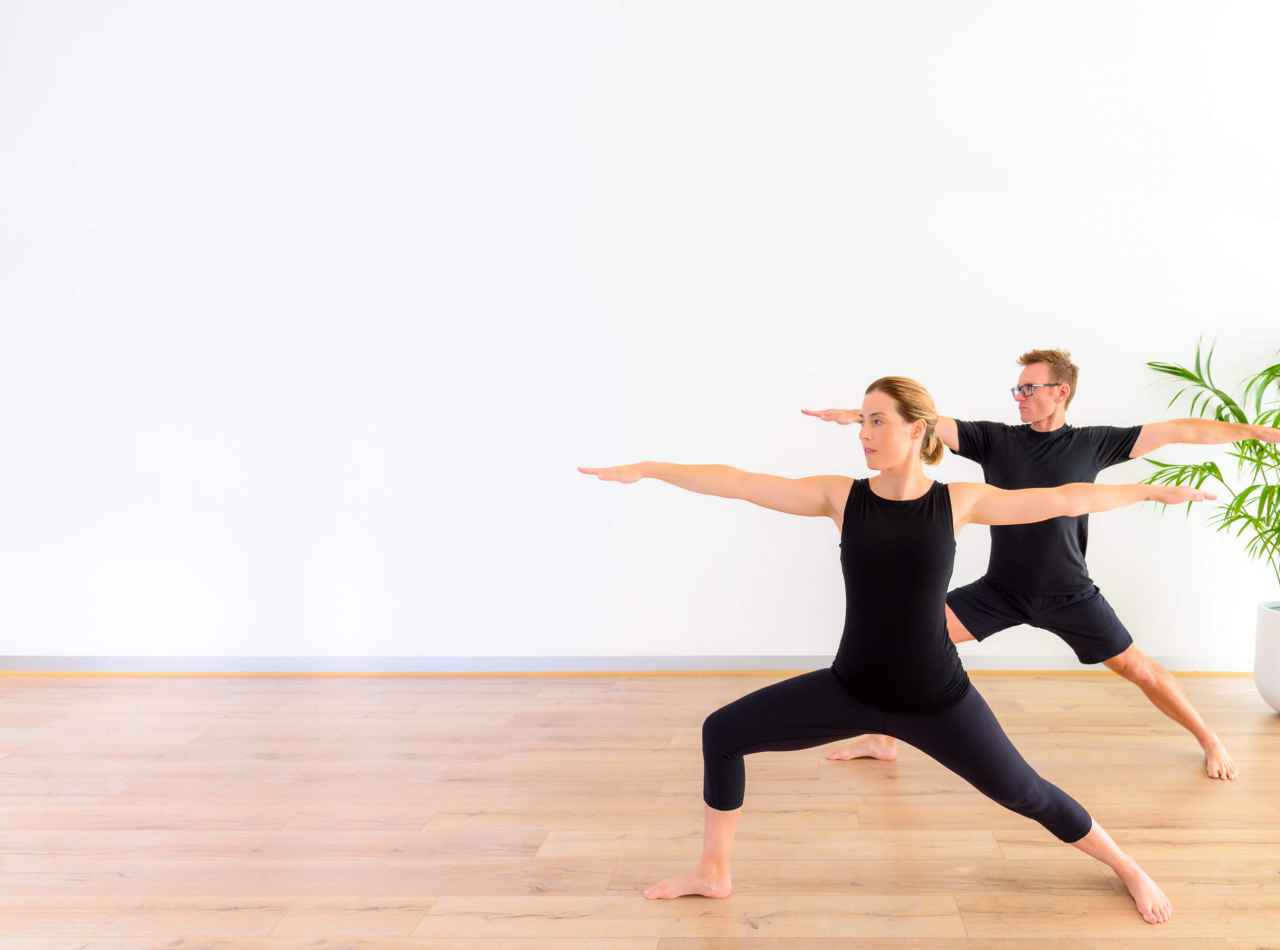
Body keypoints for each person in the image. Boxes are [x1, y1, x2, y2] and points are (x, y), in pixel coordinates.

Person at [580, 375, 1212, 924]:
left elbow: (1065, 499)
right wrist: (654, 469)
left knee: (1028, 794)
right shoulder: (840, 496)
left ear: (918, 429)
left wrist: (1149, 493)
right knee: (722, 731)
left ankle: (1126, 865)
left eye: (877, 421)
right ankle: (713, 873)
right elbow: (744, 483)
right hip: (850, 688)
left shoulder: (956, 501)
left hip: (937, 699)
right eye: (862, 422)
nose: (865, 434)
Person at [807, 349, 1278, 781]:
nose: (1020, 397)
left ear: (1061, 391)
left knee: (1142, 671)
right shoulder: (994, 441)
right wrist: (867, 418)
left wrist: (1254, 432)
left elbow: (1180, 430)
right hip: (1001, 591)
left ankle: (1209, 740)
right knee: (904, 640)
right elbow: (924, 421)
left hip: (1069, 593)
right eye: (1018, 389)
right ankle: (883, 737)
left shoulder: (1094, 444)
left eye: (1030, 388)